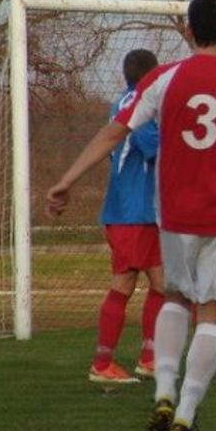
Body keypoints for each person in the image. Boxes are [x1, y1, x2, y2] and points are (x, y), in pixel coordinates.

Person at [47, 0, 216, 431]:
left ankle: (163, 390)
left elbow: (115, 129)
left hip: (174, 211)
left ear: (188, 29)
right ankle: (186, 413)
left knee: (175, 297)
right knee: (213, 308)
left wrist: (68, 179)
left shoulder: (163, 78)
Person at [87, 49, 165, 384]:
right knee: (139, 282)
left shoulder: (123, 100)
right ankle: (105, 363)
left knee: (154, 282)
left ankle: (148, 358)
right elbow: (156, 147)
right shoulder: (140, 104)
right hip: (133, 211)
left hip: (135, 209)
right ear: (153, 75)